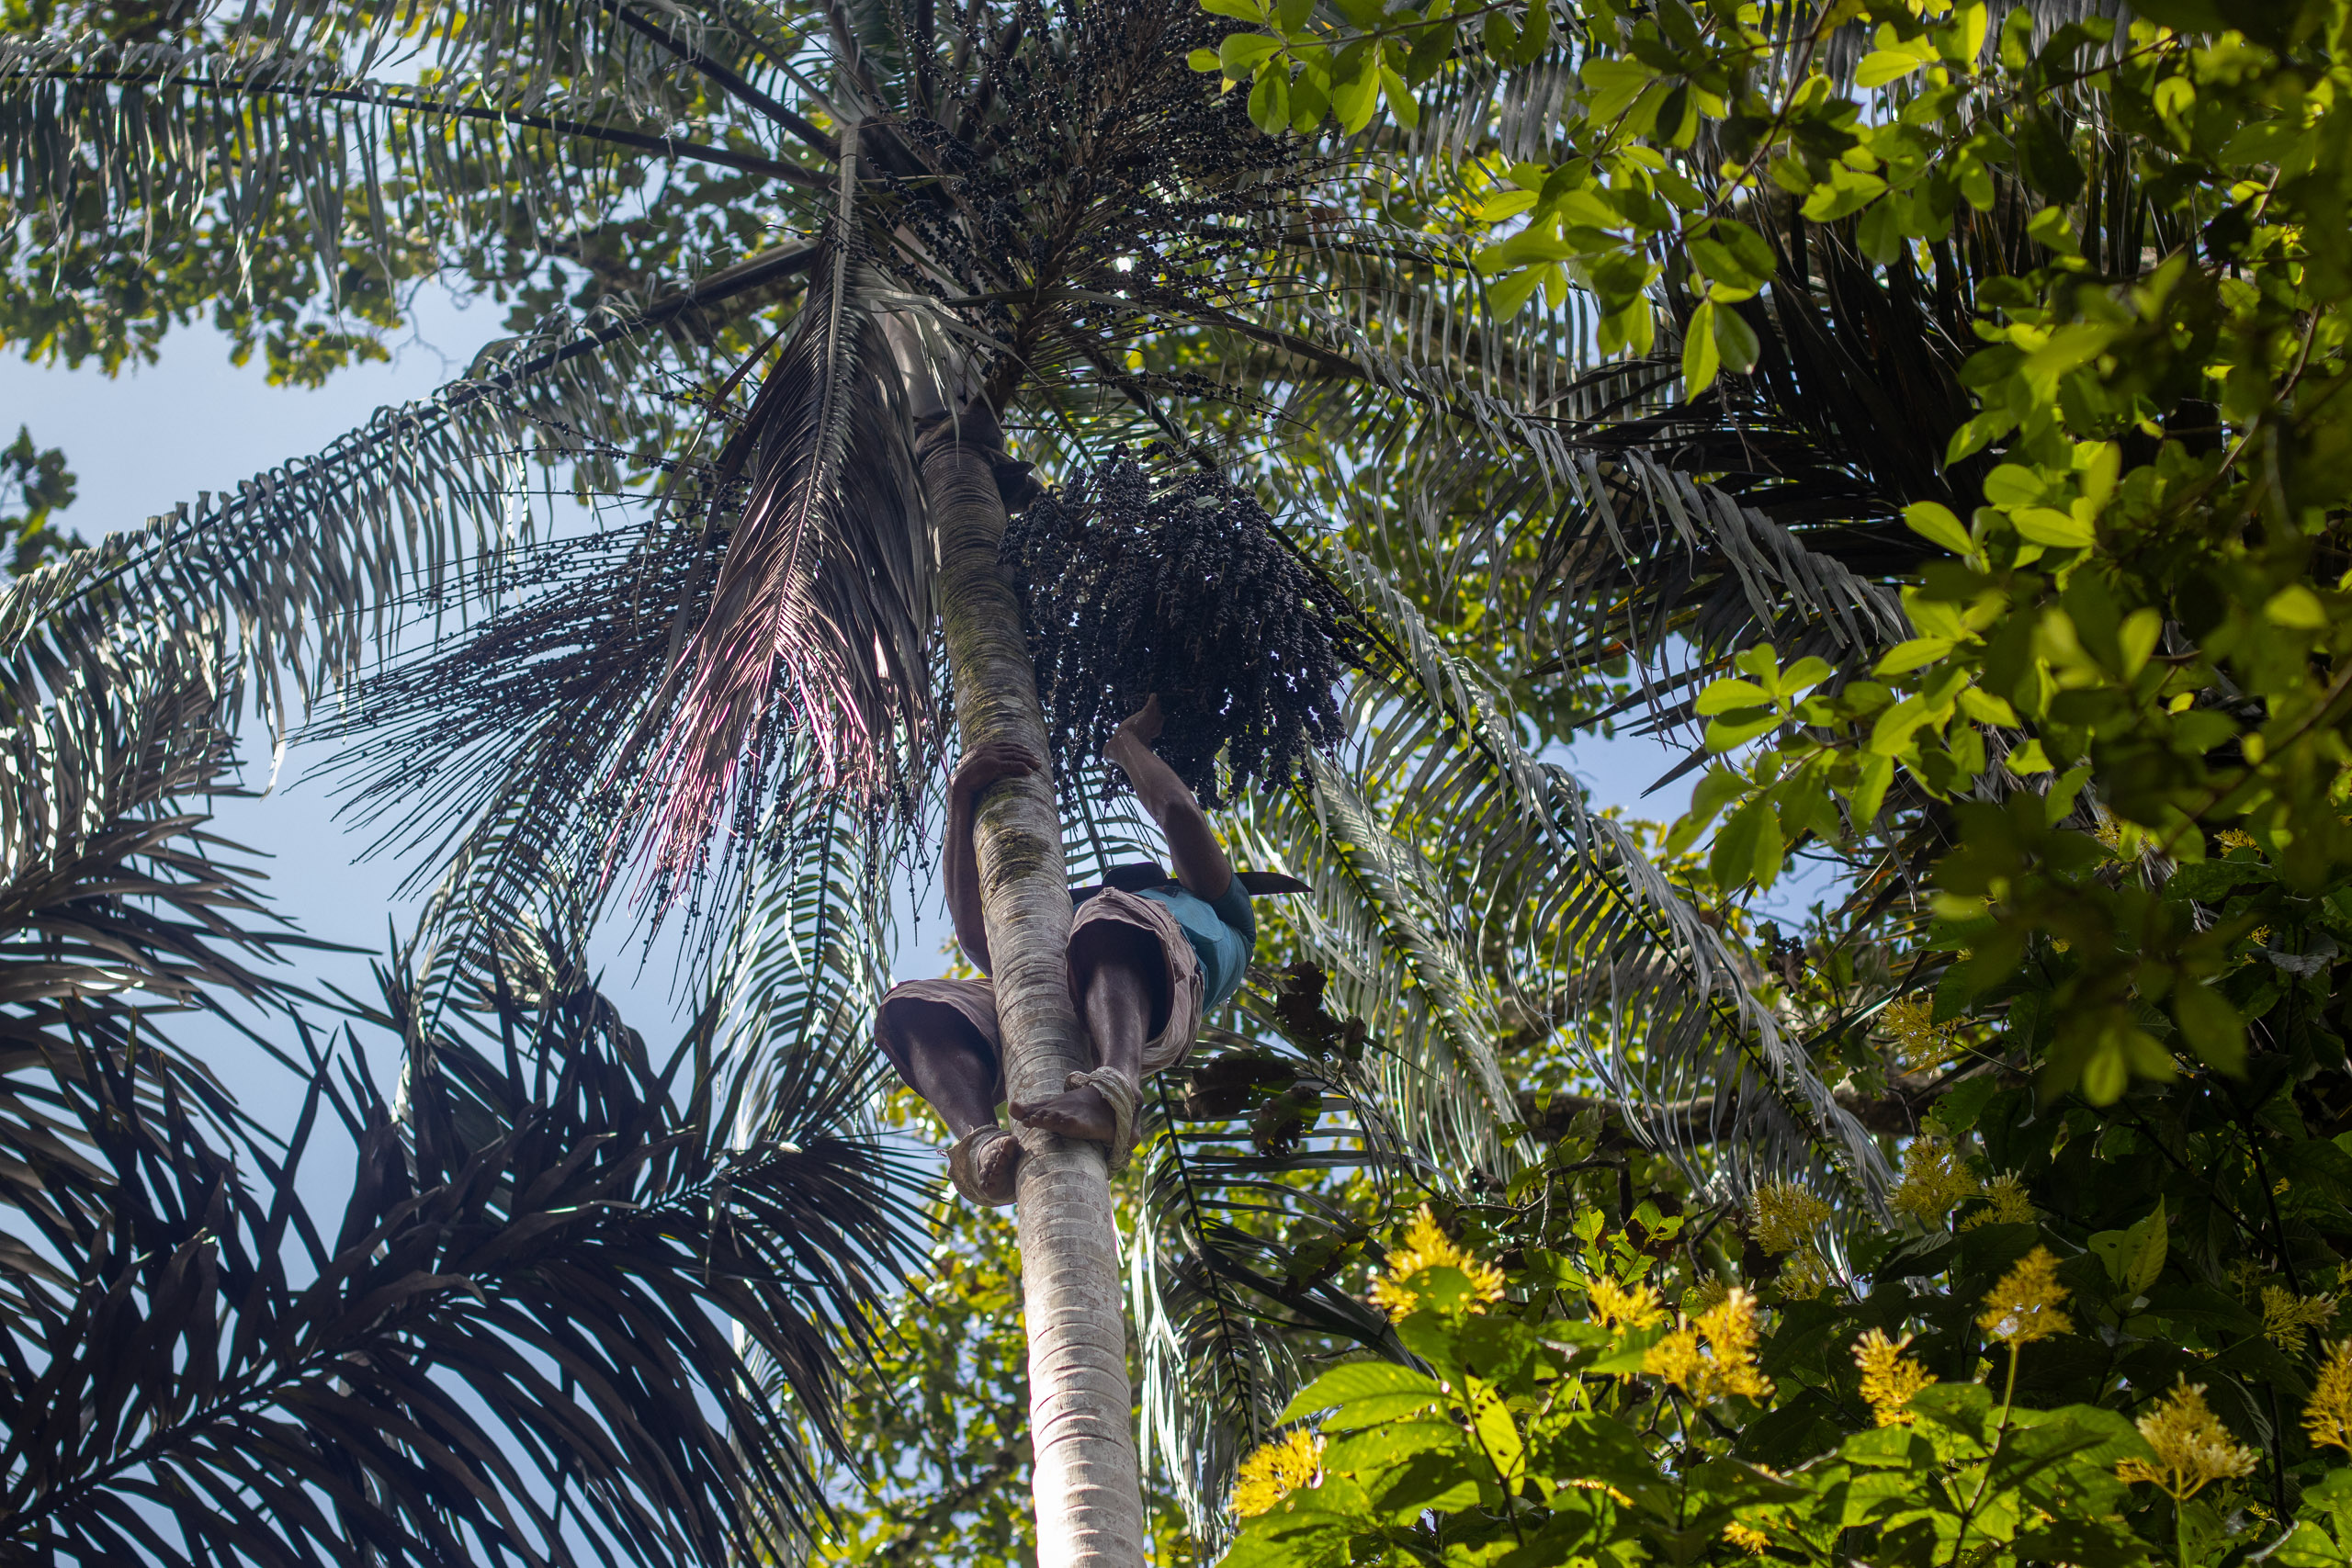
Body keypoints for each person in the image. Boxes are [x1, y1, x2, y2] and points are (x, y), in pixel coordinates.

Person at [875, 695, 1302, 1204]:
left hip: (1150, 1003)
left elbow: (1180, 813)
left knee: (1111, 918)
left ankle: (1113, 1095)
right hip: (1046, 993)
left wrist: (1126, 745)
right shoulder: (1077, 915)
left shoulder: (1225, 908)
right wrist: (960, 799)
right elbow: (977, 936)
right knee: (913, 1008)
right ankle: (981, 1142)